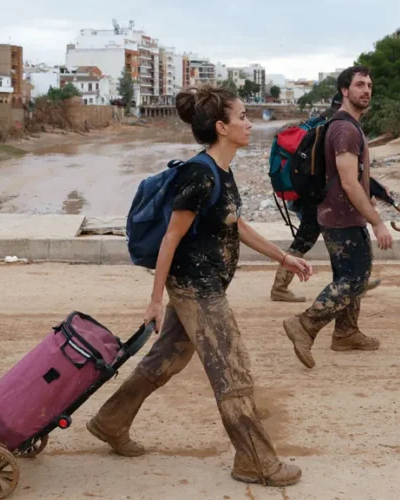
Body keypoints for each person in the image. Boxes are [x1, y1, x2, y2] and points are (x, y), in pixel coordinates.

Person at [87, 86, 312, 486]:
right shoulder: (199, 173)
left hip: (203, 284)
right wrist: (155, 300)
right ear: (222, 127)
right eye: (242, 116)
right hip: (196, 288)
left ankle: (110, 421)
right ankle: (255, 461)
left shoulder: (221, 171)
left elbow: (234, 223)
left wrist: (283, 257)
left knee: (167, 359)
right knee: (231, 367)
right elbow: (170, 238)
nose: (249, 123)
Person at [282, 66, 394, 369]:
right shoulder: (345, 129)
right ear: (345, 90)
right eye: (359, 85)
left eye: (369, 85)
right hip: (342, 217)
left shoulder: (346, 126)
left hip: (338, 215)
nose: (366, 90)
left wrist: (375, 191)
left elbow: (352, 176)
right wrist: (377, 221)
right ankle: (304, 325)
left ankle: (346, 333)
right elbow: (347, 182)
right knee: (354, 279)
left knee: (350, 278)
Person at [270, 92, 381, 302]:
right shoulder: (339, 126)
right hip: (323, 197)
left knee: (330, 240)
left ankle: (354, 282)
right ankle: (280, 287)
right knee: (310, 240)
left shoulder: (319, 123)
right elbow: (344, 169)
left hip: (313, 193)